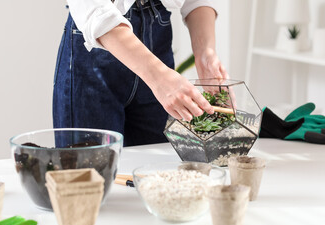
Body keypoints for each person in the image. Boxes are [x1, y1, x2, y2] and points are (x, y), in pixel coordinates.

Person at [53, 0, 228, 146]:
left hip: (158, 37)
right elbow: (95, 10)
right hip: (97, 45)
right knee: (89, 177)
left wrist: (205, 51)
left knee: (156, 174)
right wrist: (159, 77)